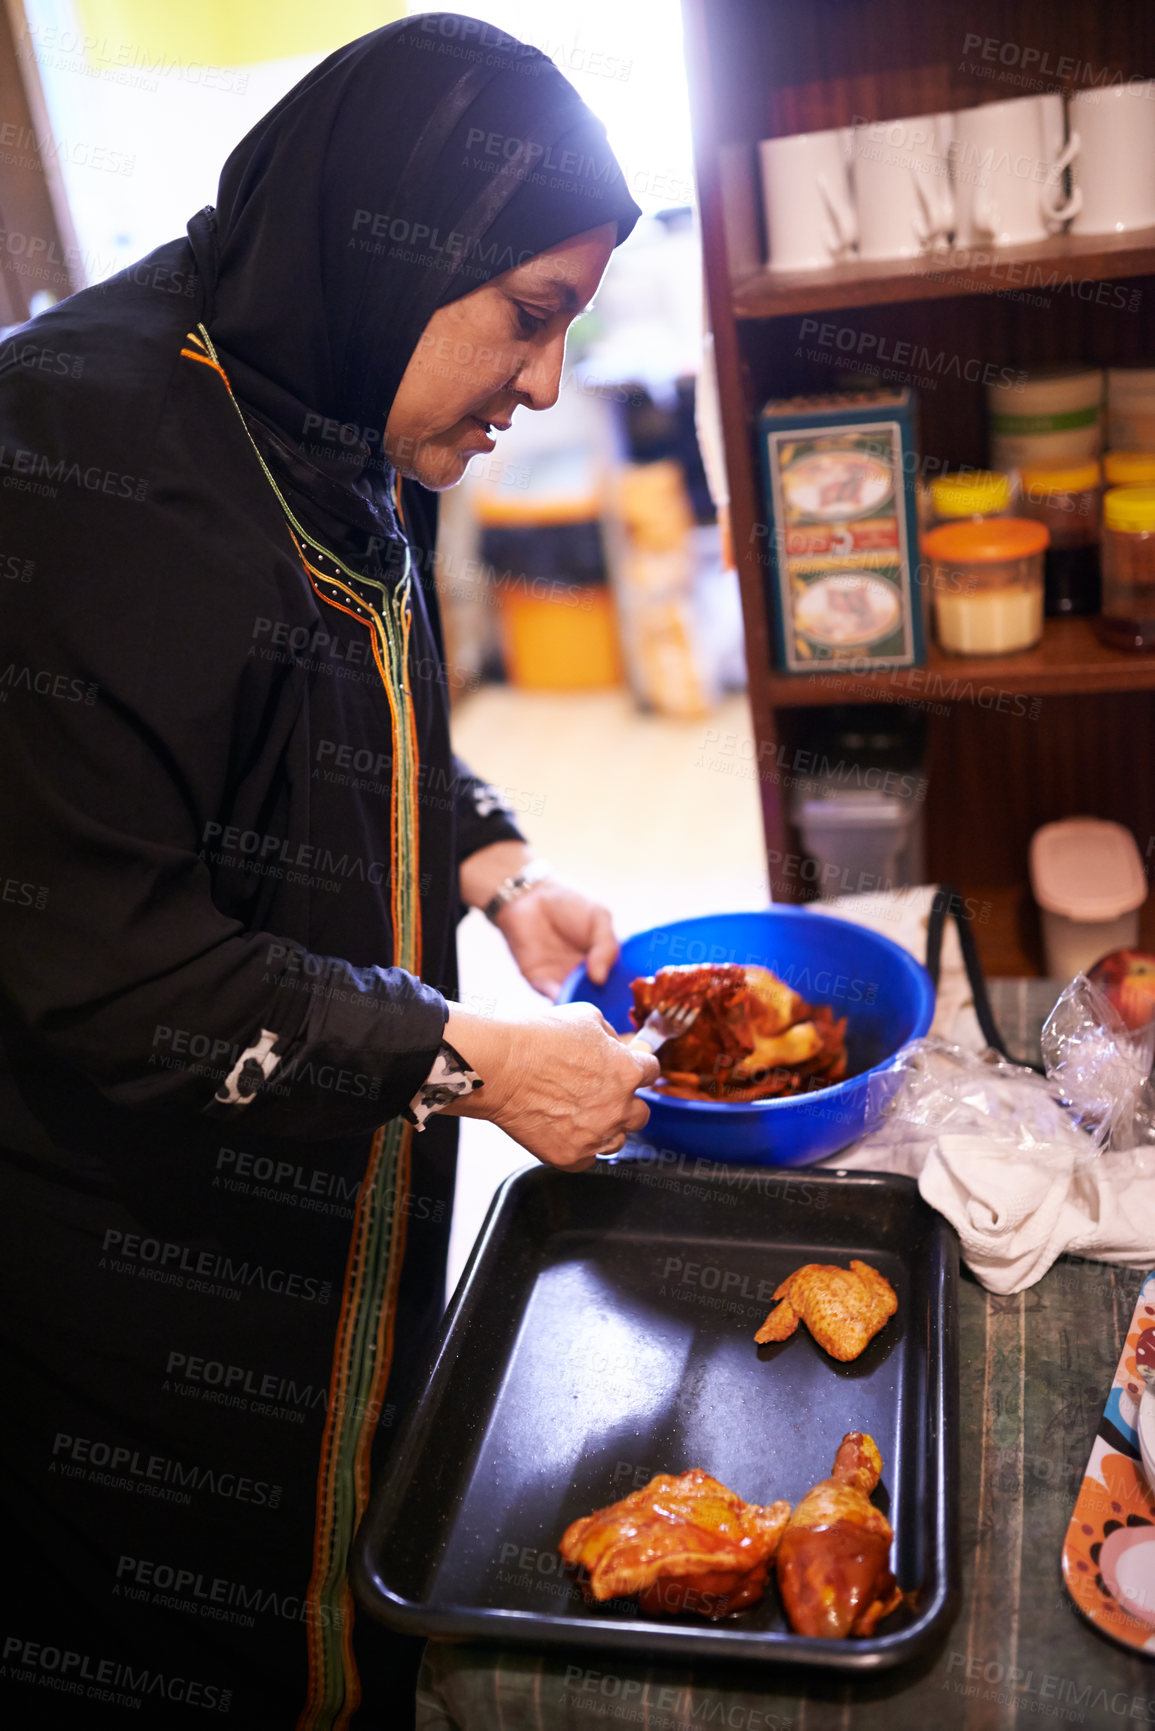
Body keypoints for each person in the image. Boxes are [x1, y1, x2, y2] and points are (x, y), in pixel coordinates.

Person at [0, 15, 657, 1728]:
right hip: (132, 1252)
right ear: (404, 238)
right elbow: (121, 974)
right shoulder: (75, 470)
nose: (544, 388)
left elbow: (360, 707)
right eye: (526, 319)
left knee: (352, 1545)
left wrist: (496, 864)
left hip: (331, 1160)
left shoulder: (336, 377)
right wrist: (478, 1063)